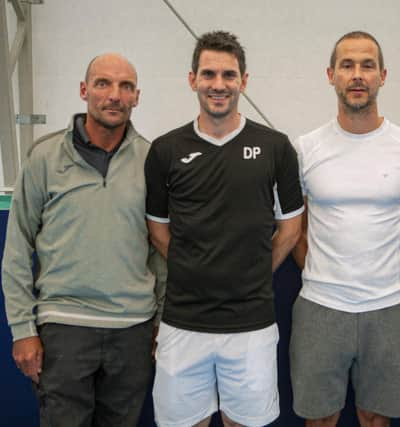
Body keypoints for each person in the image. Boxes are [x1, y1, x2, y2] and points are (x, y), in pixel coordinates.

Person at [145, 31, 304, 427]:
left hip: (252, 326)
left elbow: (290, 229)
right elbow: (158, 230)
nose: (219, 85)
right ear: (192, 79)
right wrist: (194, 268)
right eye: (209, 74)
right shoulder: (165, 150)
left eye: (229, 75)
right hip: (183, 323)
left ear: (244, 81)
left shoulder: (275, 147)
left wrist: (251, 271)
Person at [1, 53, 164, 427]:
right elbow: (17, 248)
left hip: (132, 331)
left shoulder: (152, 160)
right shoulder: (43, 157)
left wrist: (161, 319)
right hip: (64, 330)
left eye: (125, 86)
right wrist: (23, 330)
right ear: (84, 90)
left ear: (136, 97)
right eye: (103, 83)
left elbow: (160, 250)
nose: (114, 95)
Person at [290, 31, 400, 427]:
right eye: (347, 65)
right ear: (331, 74)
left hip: (391, 308)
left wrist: (389, 274)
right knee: (320, 419)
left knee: (375, 418)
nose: (357, 75)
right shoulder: (305, 148)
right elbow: (295, 232)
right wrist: (324, 273)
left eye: (367, 65)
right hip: (321, 306)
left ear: (383, 75)